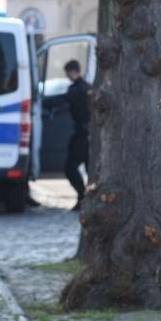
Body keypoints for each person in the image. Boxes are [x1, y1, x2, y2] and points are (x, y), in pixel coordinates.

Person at [63, 60, 91, 210]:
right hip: (90, 134)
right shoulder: (87, 87)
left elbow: (62, 101)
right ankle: (85, 198)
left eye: (67, 73)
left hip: (81, 135)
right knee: (89, 168)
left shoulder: (74, 90)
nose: (67, 76)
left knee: (70, 167)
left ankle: (82, 196)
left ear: (72, 71)